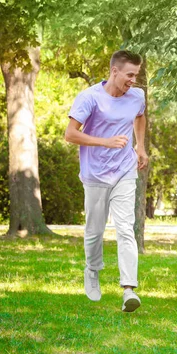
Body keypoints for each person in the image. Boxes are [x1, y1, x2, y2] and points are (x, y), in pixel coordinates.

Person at [64, 50, 148, 313]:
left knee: (125, 228)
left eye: (137, 75)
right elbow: (70, 134)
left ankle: (128, 290)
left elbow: (140, 116)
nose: (133, 80)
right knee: (95, 231)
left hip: (124, 169)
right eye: (130, 74)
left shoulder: (137, 96)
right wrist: (105, 142)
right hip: (95, 173)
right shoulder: (90, 98)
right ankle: (92, 270)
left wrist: (141, 146)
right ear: (114, 71)